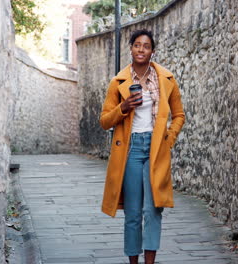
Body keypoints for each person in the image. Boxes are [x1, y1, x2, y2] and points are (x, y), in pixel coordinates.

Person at [99, 29, 185, 264]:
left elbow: (179, 115)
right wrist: (123, 107)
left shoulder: (166, 79)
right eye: (137, 45)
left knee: (153, 209)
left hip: (156, 148)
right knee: (133, 213)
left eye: (146, 46)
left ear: (152, 51)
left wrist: (169, 138)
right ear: (131, 48)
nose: (141, 49)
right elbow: (105, 120)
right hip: (131, 150)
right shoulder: (118, 82)